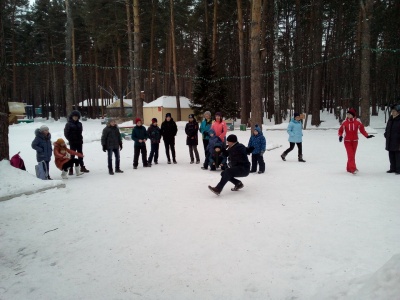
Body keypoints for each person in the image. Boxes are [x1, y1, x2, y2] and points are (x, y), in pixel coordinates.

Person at [338, 108, 374, 174]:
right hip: (347, 141)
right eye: (347, 114)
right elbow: (340, 130)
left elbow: (362, 130)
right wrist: (340, 136)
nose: (347, 115)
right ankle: (353, 169)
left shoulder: (357, 122)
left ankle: (348, 168)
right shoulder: (344, 122)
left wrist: (367, 136)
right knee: (350, 154)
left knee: (352, 155)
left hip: (355, 141)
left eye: (349, 114)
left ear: (353, 115)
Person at [64, 110, 89, 175]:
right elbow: (66, 133)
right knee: (72, 155)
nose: (75, 118)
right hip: (72, 142)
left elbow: (80, 132)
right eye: (74, 116)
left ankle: (82, 166)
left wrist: (80, 138)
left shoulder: (79, 124)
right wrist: (70, 139)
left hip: (79, 141)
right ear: (72, 117)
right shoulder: (68, 124)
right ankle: (71, 168)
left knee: (80, 154)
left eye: (76, 117)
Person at [384, 104, 400, 174]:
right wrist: (386, 134)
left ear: (398, 112)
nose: (393, 112)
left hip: (398, 140)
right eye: (392, 111)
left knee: (398, 155)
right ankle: (392, 168)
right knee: (391, 154)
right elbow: (387, 128)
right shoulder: (390, 119)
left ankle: (398, 169)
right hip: (390, 140)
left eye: (394, 111)